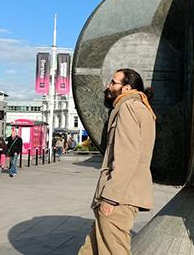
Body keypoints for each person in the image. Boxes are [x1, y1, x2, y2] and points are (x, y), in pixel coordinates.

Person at [78, 68, 157, 255]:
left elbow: (126, 157)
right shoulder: (138, 108)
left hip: (119, 198)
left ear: (127, 88)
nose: (108, 86)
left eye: (113, 82)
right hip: (121, 195)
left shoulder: (128, 108)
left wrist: (111, 198)